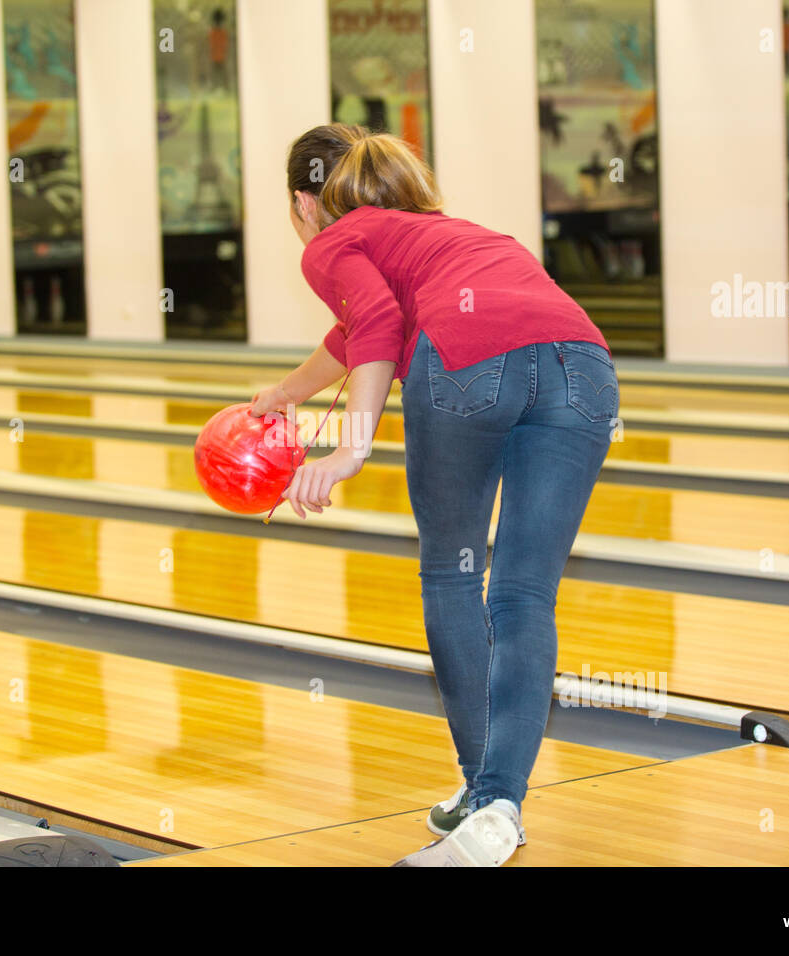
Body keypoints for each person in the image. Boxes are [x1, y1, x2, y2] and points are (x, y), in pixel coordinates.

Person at [250, 123, 618, 866]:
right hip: (584, 368)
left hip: (470, 369)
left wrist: (352, 444)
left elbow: (378, 322)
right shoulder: (451, 235)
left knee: (452, 574)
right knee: (523, 597)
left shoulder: (331, 239)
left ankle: (487, 796)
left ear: (303, 202)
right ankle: (496, 807)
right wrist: (287, 394)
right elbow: (353, 331)